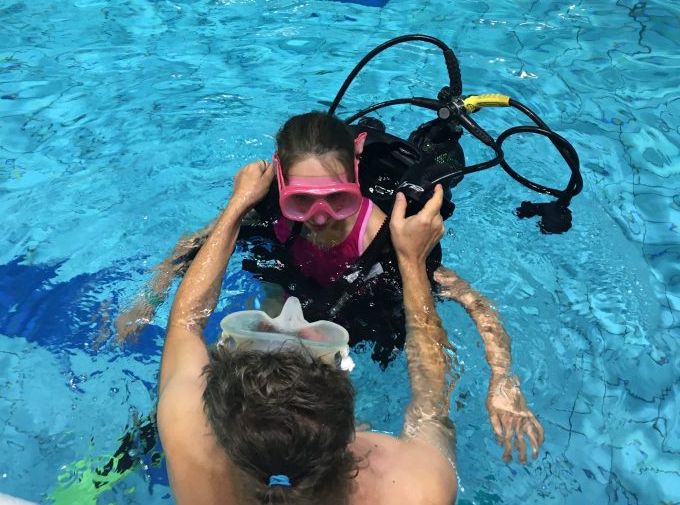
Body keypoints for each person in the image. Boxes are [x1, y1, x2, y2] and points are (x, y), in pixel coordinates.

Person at [119, 112, 544, 464]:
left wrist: (503, 382)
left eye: (337, 200)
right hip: (290, 297)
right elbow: (192, 246)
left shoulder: (389, 237)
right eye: (301, 201)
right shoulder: (268, 210)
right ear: (281, 184)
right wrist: (148, 299)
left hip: (361, 312)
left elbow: (476, 303)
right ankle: (140, 447)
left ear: (355, 177)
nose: (319, 217)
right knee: (227, 383)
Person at [158, 160, 457, 505]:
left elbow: (185, 323)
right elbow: (433, 398)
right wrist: (411, 261)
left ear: (218, 424)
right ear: (350, 424)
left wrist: (238, 205)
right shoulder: (419, 497)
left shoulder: (190, 452)